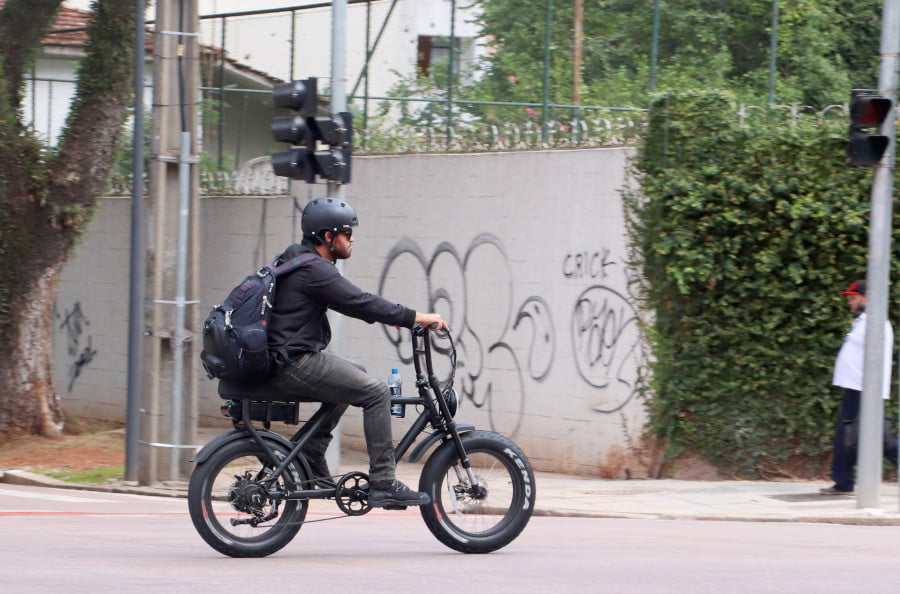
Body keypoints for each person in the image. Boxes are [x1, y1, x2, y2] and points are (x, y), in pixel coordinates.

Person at [266, 197, 448, 508]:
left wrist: (394, 318)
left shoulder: (295, 260)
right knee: (377, 392)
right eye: (347, 233)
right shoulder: (315, 270)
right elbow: (360, 301)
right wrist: (416, 317)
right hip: (293, 363)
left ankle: (311, 451)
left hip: (283, 358)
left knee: (356, 373)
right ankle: (383, 482)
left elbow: (352, 303)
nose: (352, 239)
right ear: (328, 237)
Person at [820, 280, 898, 495]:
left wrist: (874, 391)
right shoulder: (864, 321)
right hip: (857, 389)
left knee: (881, 442)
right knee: (851, 438)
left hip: (865, 391)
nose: (850, 302)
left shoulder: (875, 323)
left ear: (866, 298)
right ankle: (843, 483)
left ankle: (843, 483)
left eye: (853, 298)